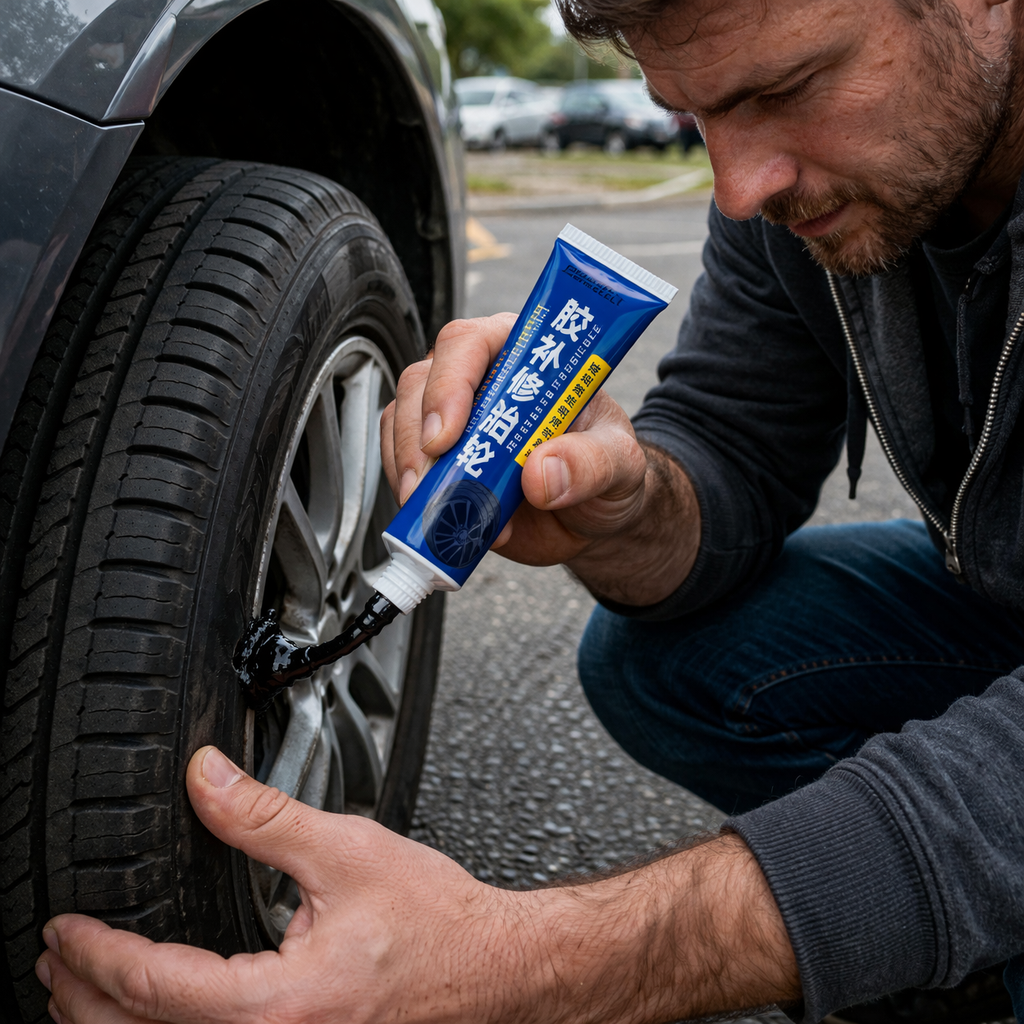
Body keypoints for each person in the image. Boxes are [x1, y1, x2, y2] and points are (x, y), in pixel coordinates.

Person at [34, 0, 1024, 1020]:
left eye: (781, 92)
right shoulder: (799, 193)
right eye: (694, 118)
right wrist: (628, 505)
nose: (736, 190)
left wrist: (527, 963)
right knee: (666, 661)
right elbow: (734, 447)